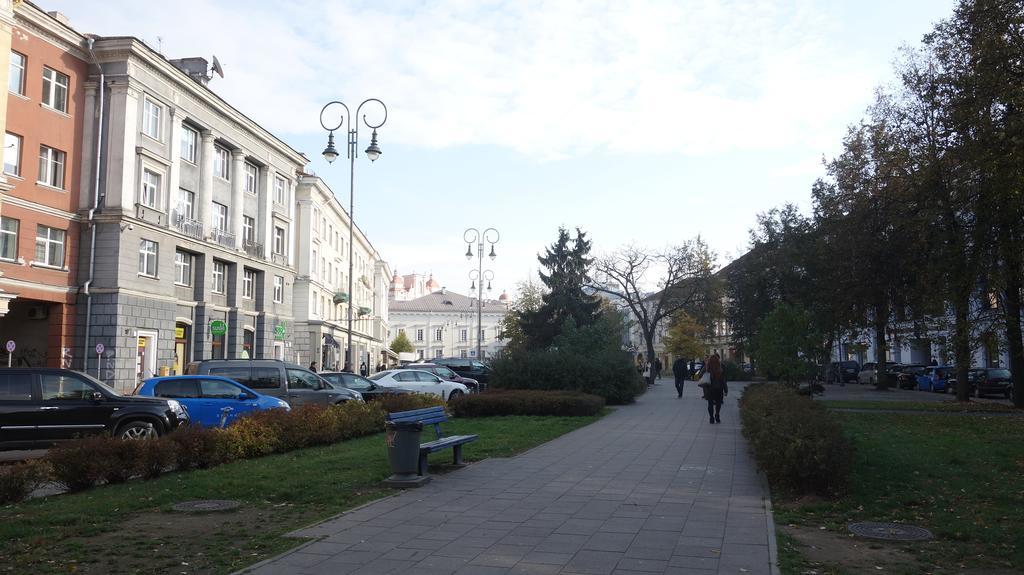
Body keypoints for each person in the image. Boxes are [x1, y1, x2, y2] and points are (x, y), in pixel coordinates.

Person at [705, 353, 728, 424]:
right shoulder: (720, 368)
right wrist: (726, 390)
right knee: (718, 403)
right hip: (719, 388)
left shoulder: (707, 368)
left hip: (709, 388)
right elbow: (723, 380)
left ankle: (711, 418)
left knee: (710, 404)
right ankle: (717, 415)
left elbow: (700, 375)